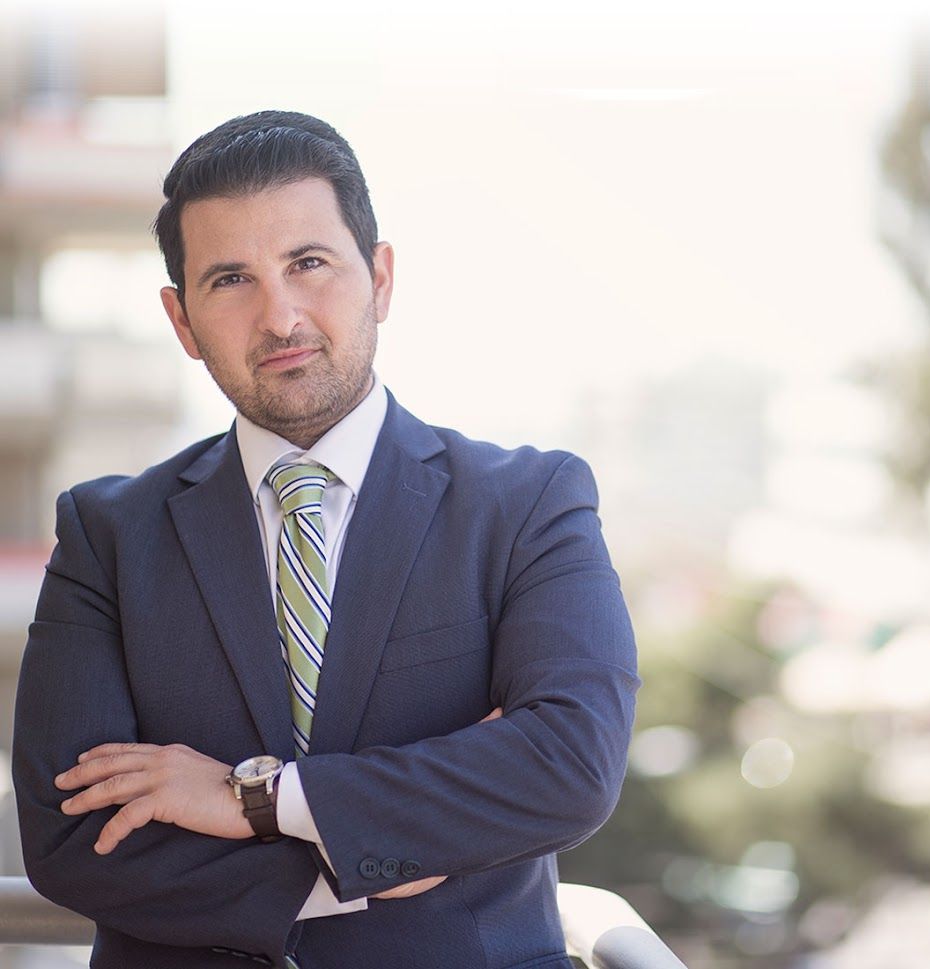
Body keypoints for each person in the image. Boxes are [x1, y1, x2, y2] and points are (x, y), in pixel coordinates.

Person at [11, 110, 639, 969]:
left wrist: (257, 798)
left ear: (380, 278)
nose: (280, 316)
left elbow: (568, 765)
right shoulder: (108, 535)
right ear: (182, 320)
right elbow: (70, 835)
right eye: (231, 279)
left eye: (308, 263)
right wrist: (366, 859)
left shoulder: (527, 502)